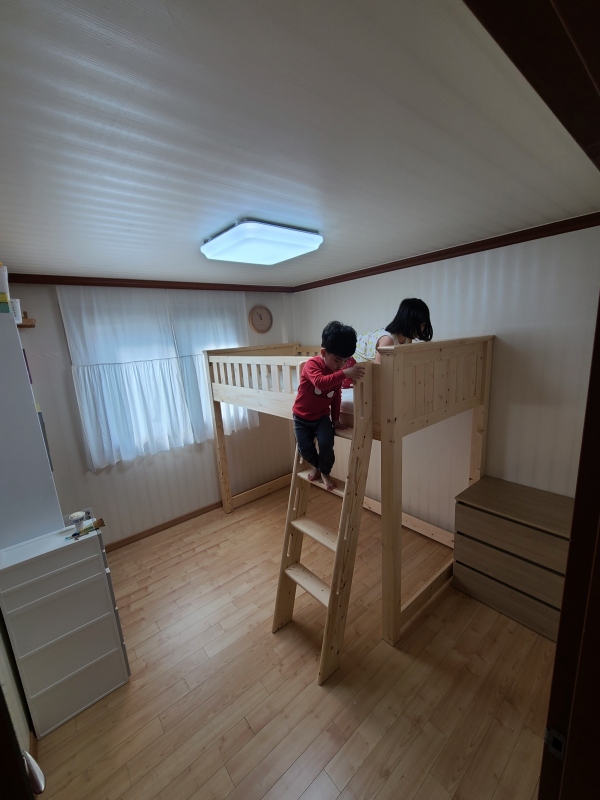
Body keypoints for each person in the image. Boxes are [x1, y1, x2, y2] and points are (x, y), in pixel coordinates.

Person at [292, 321, 365, 491]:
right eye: (337, 360)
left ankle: (324, 472)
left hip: (322, 417)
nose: (340, 365)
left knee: (326, 445)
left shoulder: (336, 374)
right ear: (323, 353)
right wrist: (344, 373)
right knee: (304, 449)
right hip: (302, 418)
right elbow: (320, 383)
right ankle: (318, 466)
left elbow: (335, 396)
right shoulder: (312, 365)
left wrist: (336, 419)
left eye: (345, 361)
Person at [355, 298, 433, 364]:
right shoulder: (388, 340)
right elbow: (378, 369)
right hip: (355, 356)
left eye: (423, 324)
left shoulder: (407, 338)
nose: (421, 328)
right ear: (406, 321)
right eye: (418, 325)